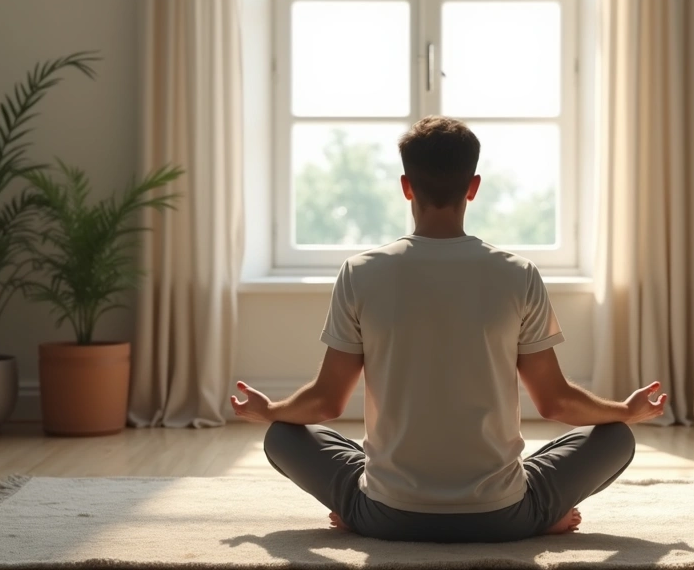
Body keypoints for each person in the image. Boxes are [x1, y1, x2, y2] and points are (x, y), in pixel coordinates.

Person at [230, 116, 667, 543]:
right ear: (473, 187)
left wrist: (269, 410)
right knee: (615, 437)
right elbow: (555, 402)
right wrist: (625, 411)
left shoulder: (360, 272)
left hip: (386, 516)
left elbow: (325, 402)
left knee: (283, 435)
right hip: (501, 517)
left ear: (406, 187)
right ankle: (538, 516)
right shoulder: (518, 274)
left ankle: (363, 506)